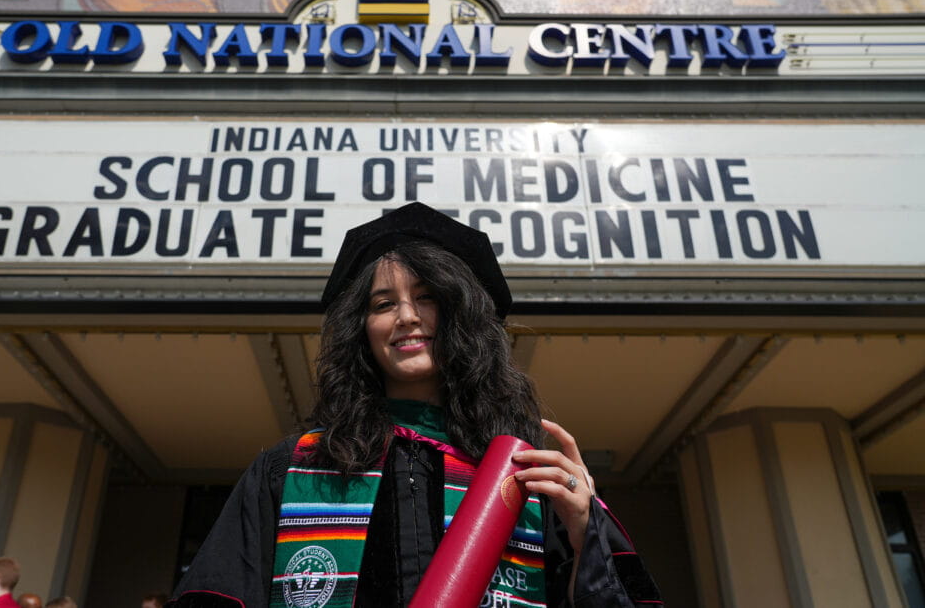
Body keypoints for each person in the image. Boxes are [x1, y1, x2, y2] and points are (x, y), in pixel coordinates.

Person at [169, 202, 661, 607]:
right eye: (382, 304)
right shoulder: (293, 469)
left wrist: (582, 530)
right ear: (361, 330)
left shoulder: (523, 478)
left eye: (427, 297)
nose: (406, 317)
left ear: (462, 313)